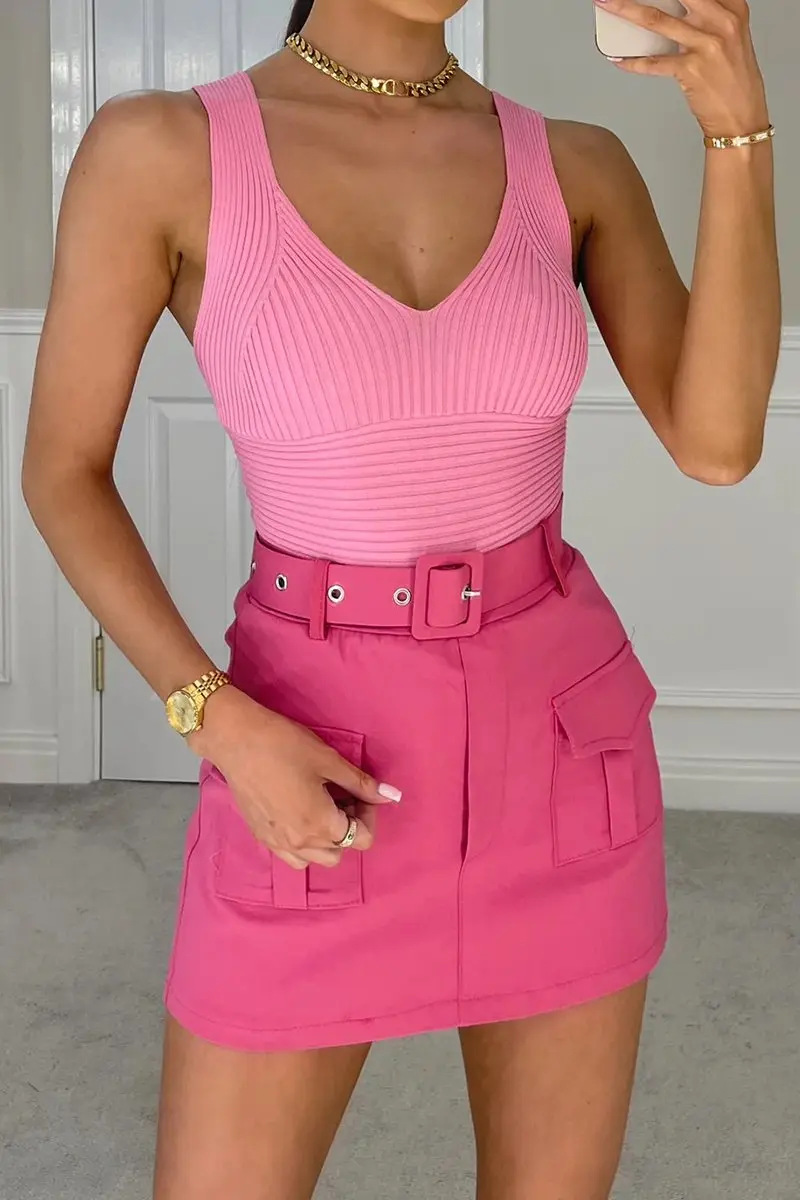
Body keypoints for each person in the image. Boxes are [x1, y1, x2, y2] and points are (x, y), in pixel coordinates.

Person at [22, 0, 780, 1196]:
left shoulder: (575, 164)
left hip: (557, 755)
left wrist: (737, 137)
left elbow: (718, 442)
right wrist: (215, 722)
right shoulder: (161, 149)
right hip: (310, 749)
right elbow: (62, 471)